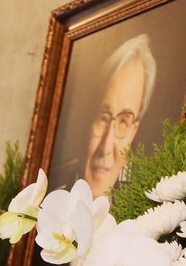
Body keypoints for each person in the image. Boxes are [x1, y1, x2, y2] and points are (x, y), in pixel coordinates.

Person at [51, 34, 158, 197]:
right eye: (103, 118)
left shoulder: (145, 202)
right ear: (87, 119)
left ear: (133, 131)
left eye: (124, 121)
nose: (106, 148)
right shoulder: (53, 188)